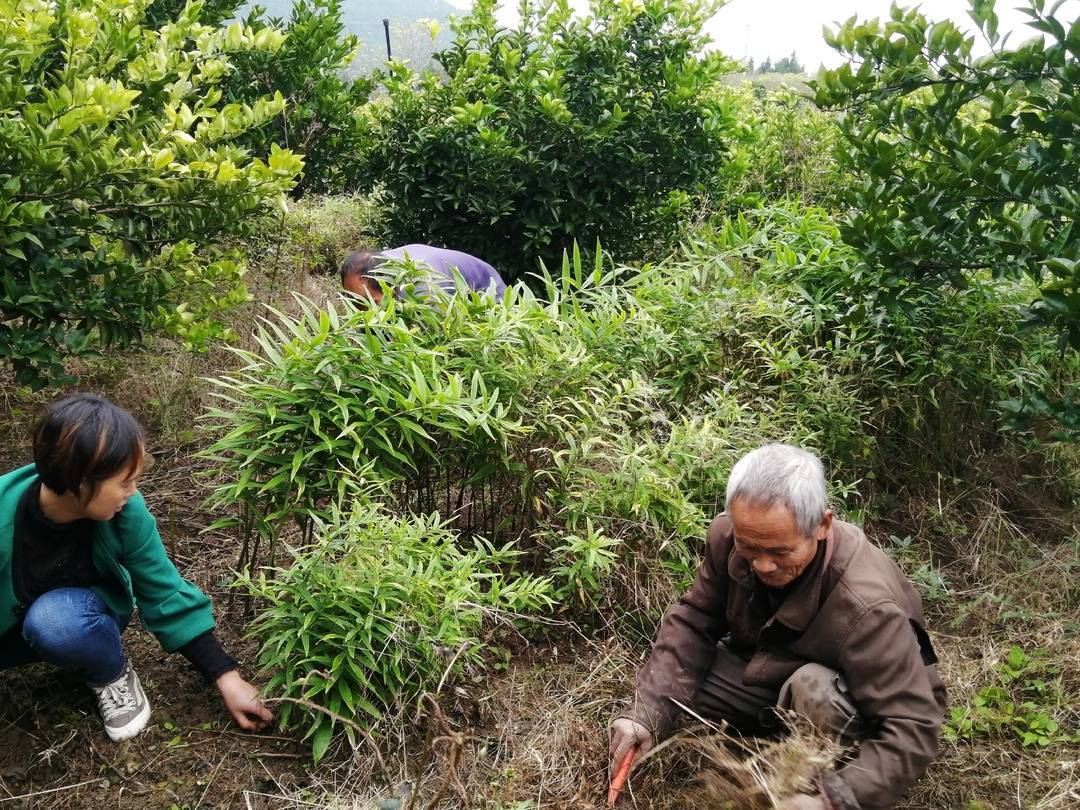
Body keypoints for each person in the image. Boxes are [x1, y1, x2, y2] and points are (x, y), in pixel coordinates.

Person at [609, 443, 946, 810]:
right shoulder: (727, 537)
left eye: (781, 552)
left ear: (822, 524)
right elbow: (694, 621)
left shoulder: (868, 604)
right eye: (749, 548)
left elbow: (913, 725)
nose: (763, 566)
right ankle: (772, 732)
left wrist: (834, 799)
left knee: (814, 686)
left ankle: (823, 775)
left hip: (851, 696)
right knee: (681, 680)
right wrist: (646, 715)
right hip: (767, 668)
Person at [0, 394, 272, 742]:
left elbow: (161, 588)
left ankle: (109, 672)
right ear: (79, 482)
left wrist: (225, 675)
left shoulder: (126, 514)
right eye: (124, 482)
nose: (133, 491)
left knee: (56, 622)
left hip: (78, 618)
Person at [340, 244, 507, 303]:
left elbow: (432, 337)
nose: (362, 311)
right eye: (355, 303)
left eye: (372, 302)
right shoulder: (377, 264)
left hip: (489, 293)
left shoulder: (424, 287)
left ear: (389, 286)